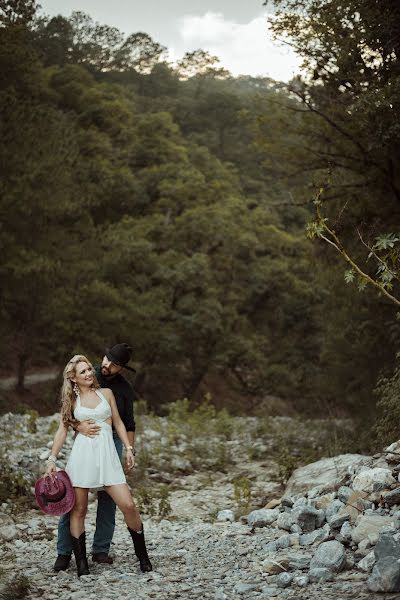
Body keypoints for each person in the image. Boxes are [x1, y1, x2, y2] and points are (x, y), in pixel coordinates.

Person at [46, 352, 152, 577]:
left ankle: (143, 556)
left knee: (129, 506)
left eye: (88, 369)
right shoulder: (71, 401)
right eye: (83, 371)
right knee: (79, 510)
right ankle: (81, 564)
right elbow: (62, 429)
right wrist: (52, 460)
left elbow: (119, 422)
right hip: (83, 457)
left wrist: (129, 449)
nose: (89, 373)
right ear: (73, 378)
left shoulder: (107, 393)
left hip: (108, 457)